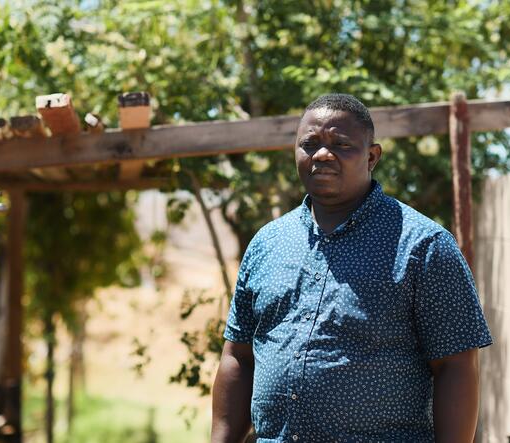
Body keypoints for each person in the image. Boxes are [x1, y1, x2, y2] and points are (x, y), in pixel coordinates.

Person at [211, 93, 492, 443]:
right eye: (309, 144)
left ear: (372, 156)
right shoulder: (267, 244)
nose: (323, 155)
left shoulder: (423, 246)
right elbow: (238, 357)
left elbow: (457, 366)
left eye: (341, 144)